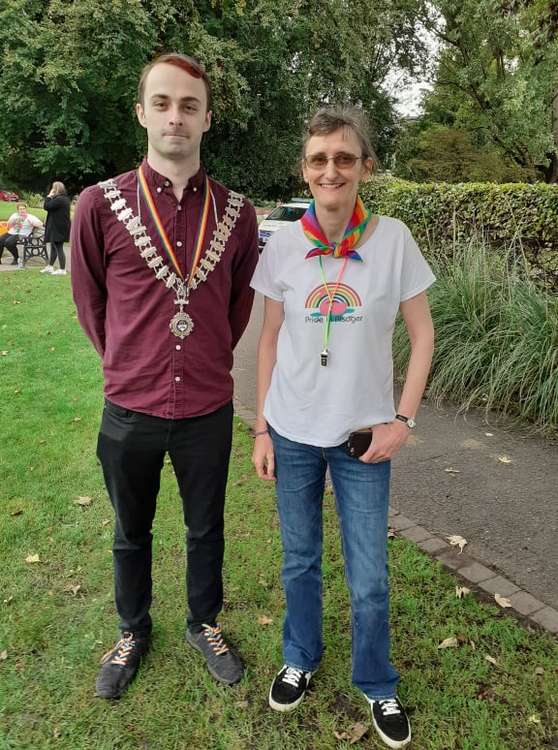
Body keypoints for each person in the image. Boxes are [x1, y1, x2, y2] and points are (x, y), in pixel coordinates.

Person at [71, 53, 259, 699]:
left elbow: (237, 308)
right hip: (131, 408)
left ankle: (203, 623)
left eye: (188, 105)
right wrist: (129, 361)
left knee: (206, 526)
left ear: (207, 118)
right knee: (131, 530)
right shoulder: (99, 205)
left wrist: (203, 358)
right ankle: (132, 630)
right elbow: (89, 301)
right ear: (142, 112)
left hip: (207, 408)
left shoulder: (237, 214)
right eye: (162, 103)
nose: (174, 116)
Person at [251, 106, 435, 749]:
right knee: (300, 560)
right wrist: (263, 430)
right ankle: (299, 654)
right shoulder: (284, 245)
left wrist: (403, 421)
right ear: (305, 169)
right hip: (294, 430)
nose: (332, 170)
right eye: (320, 159)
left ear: (365, 167)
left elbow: (423, 334)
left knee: (370, 575)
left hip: (364, 439)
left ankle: (376, 682)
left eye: (345, 158)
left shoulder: (393, 240)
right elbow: (269, 339)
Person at [42, 181, 71, 275]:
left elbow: (46, 206)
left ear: (57, 189)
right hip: (58, 226)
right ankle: (50, 267)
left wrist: (49, 196)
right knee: (53, 247)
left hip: (59, 227)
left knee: (58, 247)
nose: (52, 190)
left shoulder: (60, 199)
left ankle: (62, 270)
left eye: (53, 188)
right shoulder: (63, 199)